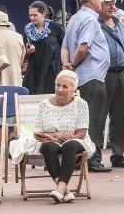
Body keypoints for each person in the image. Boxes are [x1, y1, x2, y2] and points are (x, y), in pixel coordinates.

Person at [61, 0, 111, 173]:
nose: (102, 2)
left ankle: (78, 158)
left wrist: (68, 68)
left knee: (81, 120)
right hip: (91, 76)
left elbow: (65, 47)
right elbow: (83, 47)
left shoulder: (75, 18)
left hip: (80, 78)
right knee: (94, 121)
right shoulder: (90, 19)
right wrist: (73, 65)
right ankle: (91, 159)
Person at [33, 70, 96, 203]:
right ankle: (64, 191)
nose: (60, 89)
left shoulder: (81, 104)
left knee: (70, 145)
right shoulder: (44, 104)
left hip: (77, 141)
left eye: (65, 87)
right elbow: (38, 133)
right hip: (49, 141)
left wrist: (57, 138)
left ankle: (60, 188)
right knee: (47, 148)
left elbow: (81, 134)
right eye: (58, 85)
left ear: (73, 90)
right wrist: (57, 135)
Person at [98, 0, 124, 169]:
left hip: (121, 73)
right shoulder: (94, 24)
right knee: (99, 116)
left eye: (114, 3)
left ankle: (118, 155)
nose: (112, 6)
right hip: (103, 74)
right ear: (99, 5)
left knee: (119, 117)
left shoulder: (120, 25)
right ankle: (95, 156)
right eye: (108, 3)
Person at [22, 1, 65, 94]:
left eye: (35, 15)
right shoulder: (27, 30)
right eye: (30, 15)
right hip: (34, 70)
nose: (32, 18)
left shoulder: (55, 27)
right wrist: (28, 52)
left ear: (44, 14)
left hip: (52, 69)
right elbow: (23, 54)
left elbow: (65, 46)